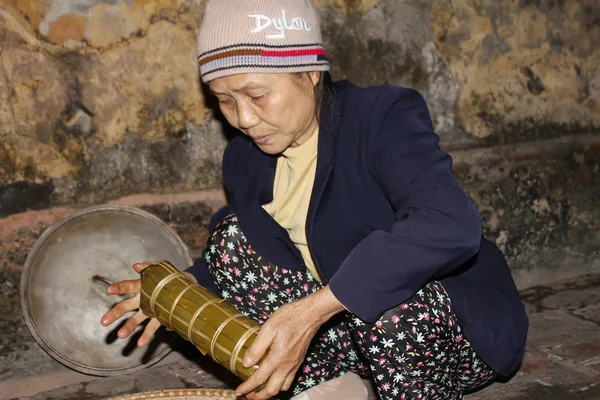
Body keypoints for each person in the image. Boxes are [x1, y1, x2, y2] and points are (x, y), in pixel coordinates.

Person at [101, 1, 528, 399]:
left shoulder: (382, 117)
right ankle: (336, 383)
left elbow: (451, 225)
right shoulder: (244, 159)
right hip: (344, 334)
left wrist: (311, 312)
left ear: (308, 73)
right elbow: (244, 254)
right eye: (224, 101)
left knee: (392, 307)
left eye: (257, 95)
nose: (244, 119)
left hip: (446, 332)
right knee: (232, 239)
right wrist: (181, 290)